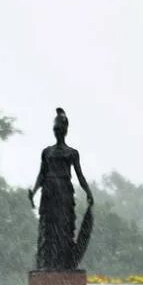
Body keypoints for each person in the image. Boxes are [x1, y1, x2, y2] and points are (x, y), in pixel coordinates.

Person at [27, 108, 95, 271]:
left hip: (64, 193)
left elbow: (79, 176)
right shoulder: (47, 152)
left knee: (64, 228)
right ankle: (48, 262)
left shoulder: (72, 153)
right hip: (49, 193)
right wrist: (34, 191)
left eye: (60, 128)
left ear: (65, 130)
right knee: (48, 229)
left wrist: (88, 192)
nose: (57, 131)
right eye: (56, 128)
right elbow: (41, 175)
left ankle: (63, 262)